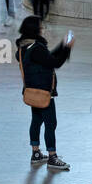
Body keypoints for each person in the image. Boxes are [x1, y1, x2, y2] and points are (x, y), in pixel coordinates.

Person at [17, 16, 74, 170]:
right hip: (43, 92)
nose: (43, 29)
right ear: (36, 30)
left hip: (32, 90)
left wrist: (62, 46)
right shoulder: (37, 48)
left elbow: (47, 58)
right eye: (41, 27)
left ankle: (36, 153)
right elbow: (55, 62)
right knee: (50, 123)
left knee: (36, 120)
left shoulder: (24, 47)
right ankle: (52, 157)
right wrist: (67, 48)